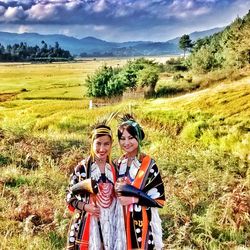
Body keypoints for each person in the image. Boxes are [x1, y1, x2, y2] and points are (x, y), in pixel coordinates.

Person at [66, 124, 125, 250]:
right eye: (98, 143)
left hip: (111, 225)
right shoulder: (82, 168)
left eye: (106, 144)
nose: (102, 149)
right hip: (87, 225)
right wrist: (86, 207)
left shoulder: (115, 168)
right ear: (92, 143)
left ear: (111, 144)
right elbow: (70, 197)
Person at [115, 114, 165, 250]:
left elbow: (158, 199)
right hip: (120, 220)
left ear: (138, 137)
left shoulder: (149, 164)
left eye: (131, 138)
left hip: (142, 220)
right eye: (122, 138)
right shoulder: (117, 164)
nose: (126, 142)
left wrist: (133, 199)